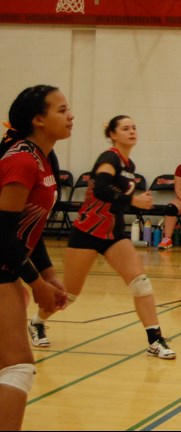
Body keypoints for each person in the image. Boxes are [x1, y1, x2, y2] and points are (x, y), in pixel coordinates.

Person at [60, 115, 175, 359]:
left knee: (141, 284)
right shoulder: (109, 157)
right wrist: (134, 199)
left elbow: (114, 199)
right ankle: (37, 321)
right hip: (87, 232)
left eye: (134, 127)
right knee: (69, 295)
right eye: (125, 128)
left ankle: (155, 340)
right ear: (113, 134)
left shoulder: (128, 165)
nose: (132, 131)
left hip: (113, 234)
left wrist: (137, 202)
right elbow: (101, 188)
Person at [0, 85, 71, 430]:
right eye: (61, 110)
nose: (70, 115)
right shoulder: (22, 161)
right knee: (18, 367)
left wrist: (49, 273)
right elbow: (3, 234)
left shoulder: (45, 158)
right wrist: (36, 283)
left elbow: (31, 225)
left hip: (8, 267)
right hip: (2, 267)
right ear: (38, 120)